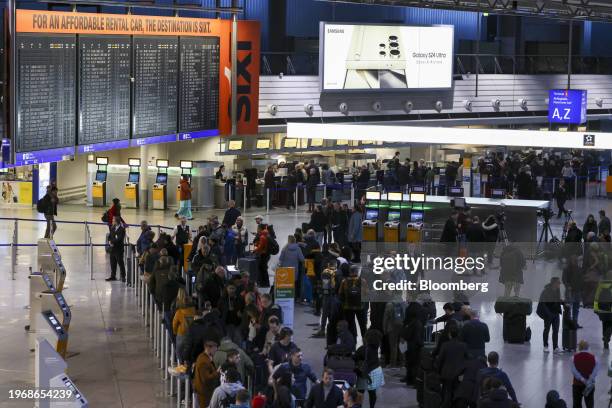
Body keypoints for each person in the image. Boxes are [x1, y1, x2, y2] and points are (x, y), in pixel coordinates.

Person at [436, 324, 468, 408]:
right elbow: (467, 359)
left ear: (449, 334)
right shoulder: (463, 345)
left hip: (446, 373)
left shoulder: (445, 345)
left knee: (447, 391)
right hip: (458, 373)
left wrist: (438, 371)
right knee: (457, 392)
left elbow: (440, 360)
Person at [355, 329, 384, 408]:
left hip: (364, 373)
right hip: (376, 371)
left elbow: (355, 359)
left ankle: (358, 406)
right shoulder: (375, 348)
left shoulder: (363, 349)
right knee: (372, 392)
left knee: (360, 392)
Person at [536, 277, 563, 354]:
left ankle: (555, 347)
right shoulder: (546, 291)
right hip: (548, 314)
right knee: (547, 329)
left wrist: (563, 302)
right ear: (554, 283)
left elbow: (557, 300)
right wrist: (548, 313)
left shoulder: (557, 290)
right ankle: (545, 346)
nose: (559, 284)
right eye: (558, 283)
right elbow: (542, 303)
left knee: (555, 331)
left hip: (556, 313)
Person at [193, 339, 221, 408]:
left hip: (203, 391)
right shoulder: (204, 361)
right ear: (208, 348)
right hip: (204, 393)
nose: (216, 349)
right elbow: (206, 379)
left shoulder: (203, 357)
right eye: (215, 348)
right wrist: (217, 372)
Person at [172, 288, 196, 364]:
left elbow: (174, 324)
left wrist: (175, 332)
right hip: (191, 332)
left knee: (179, 351)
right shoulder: (193, 309)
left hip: (181, 333)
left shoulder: (178, 311)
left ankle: (180, 365)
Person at [571, 340, 598, 408]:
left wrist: (582, 379)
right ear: (588, 347)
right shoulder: (594, 358)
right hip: (589, 385)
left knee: (577, 404)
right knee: (589, 403)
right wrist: (589, 380)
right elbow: (595, 371)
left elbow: (574, 371)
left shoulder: (574, 357)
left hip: (577, 384)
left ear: (579, 347)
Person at [106, 216, 126, 282]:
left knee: (120, 263)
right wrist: (110, 241)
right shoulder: (112, 227)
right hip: (112, 249)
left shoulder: (122, 229)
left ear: (116, 221)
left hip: (118, 249)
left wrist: (112, 242)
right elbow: (109, 236)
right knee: (112, 263)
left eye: (113, 220)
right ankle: (113, 276)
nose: (112, 221)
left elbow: (119, 239)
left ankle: (123, 276)